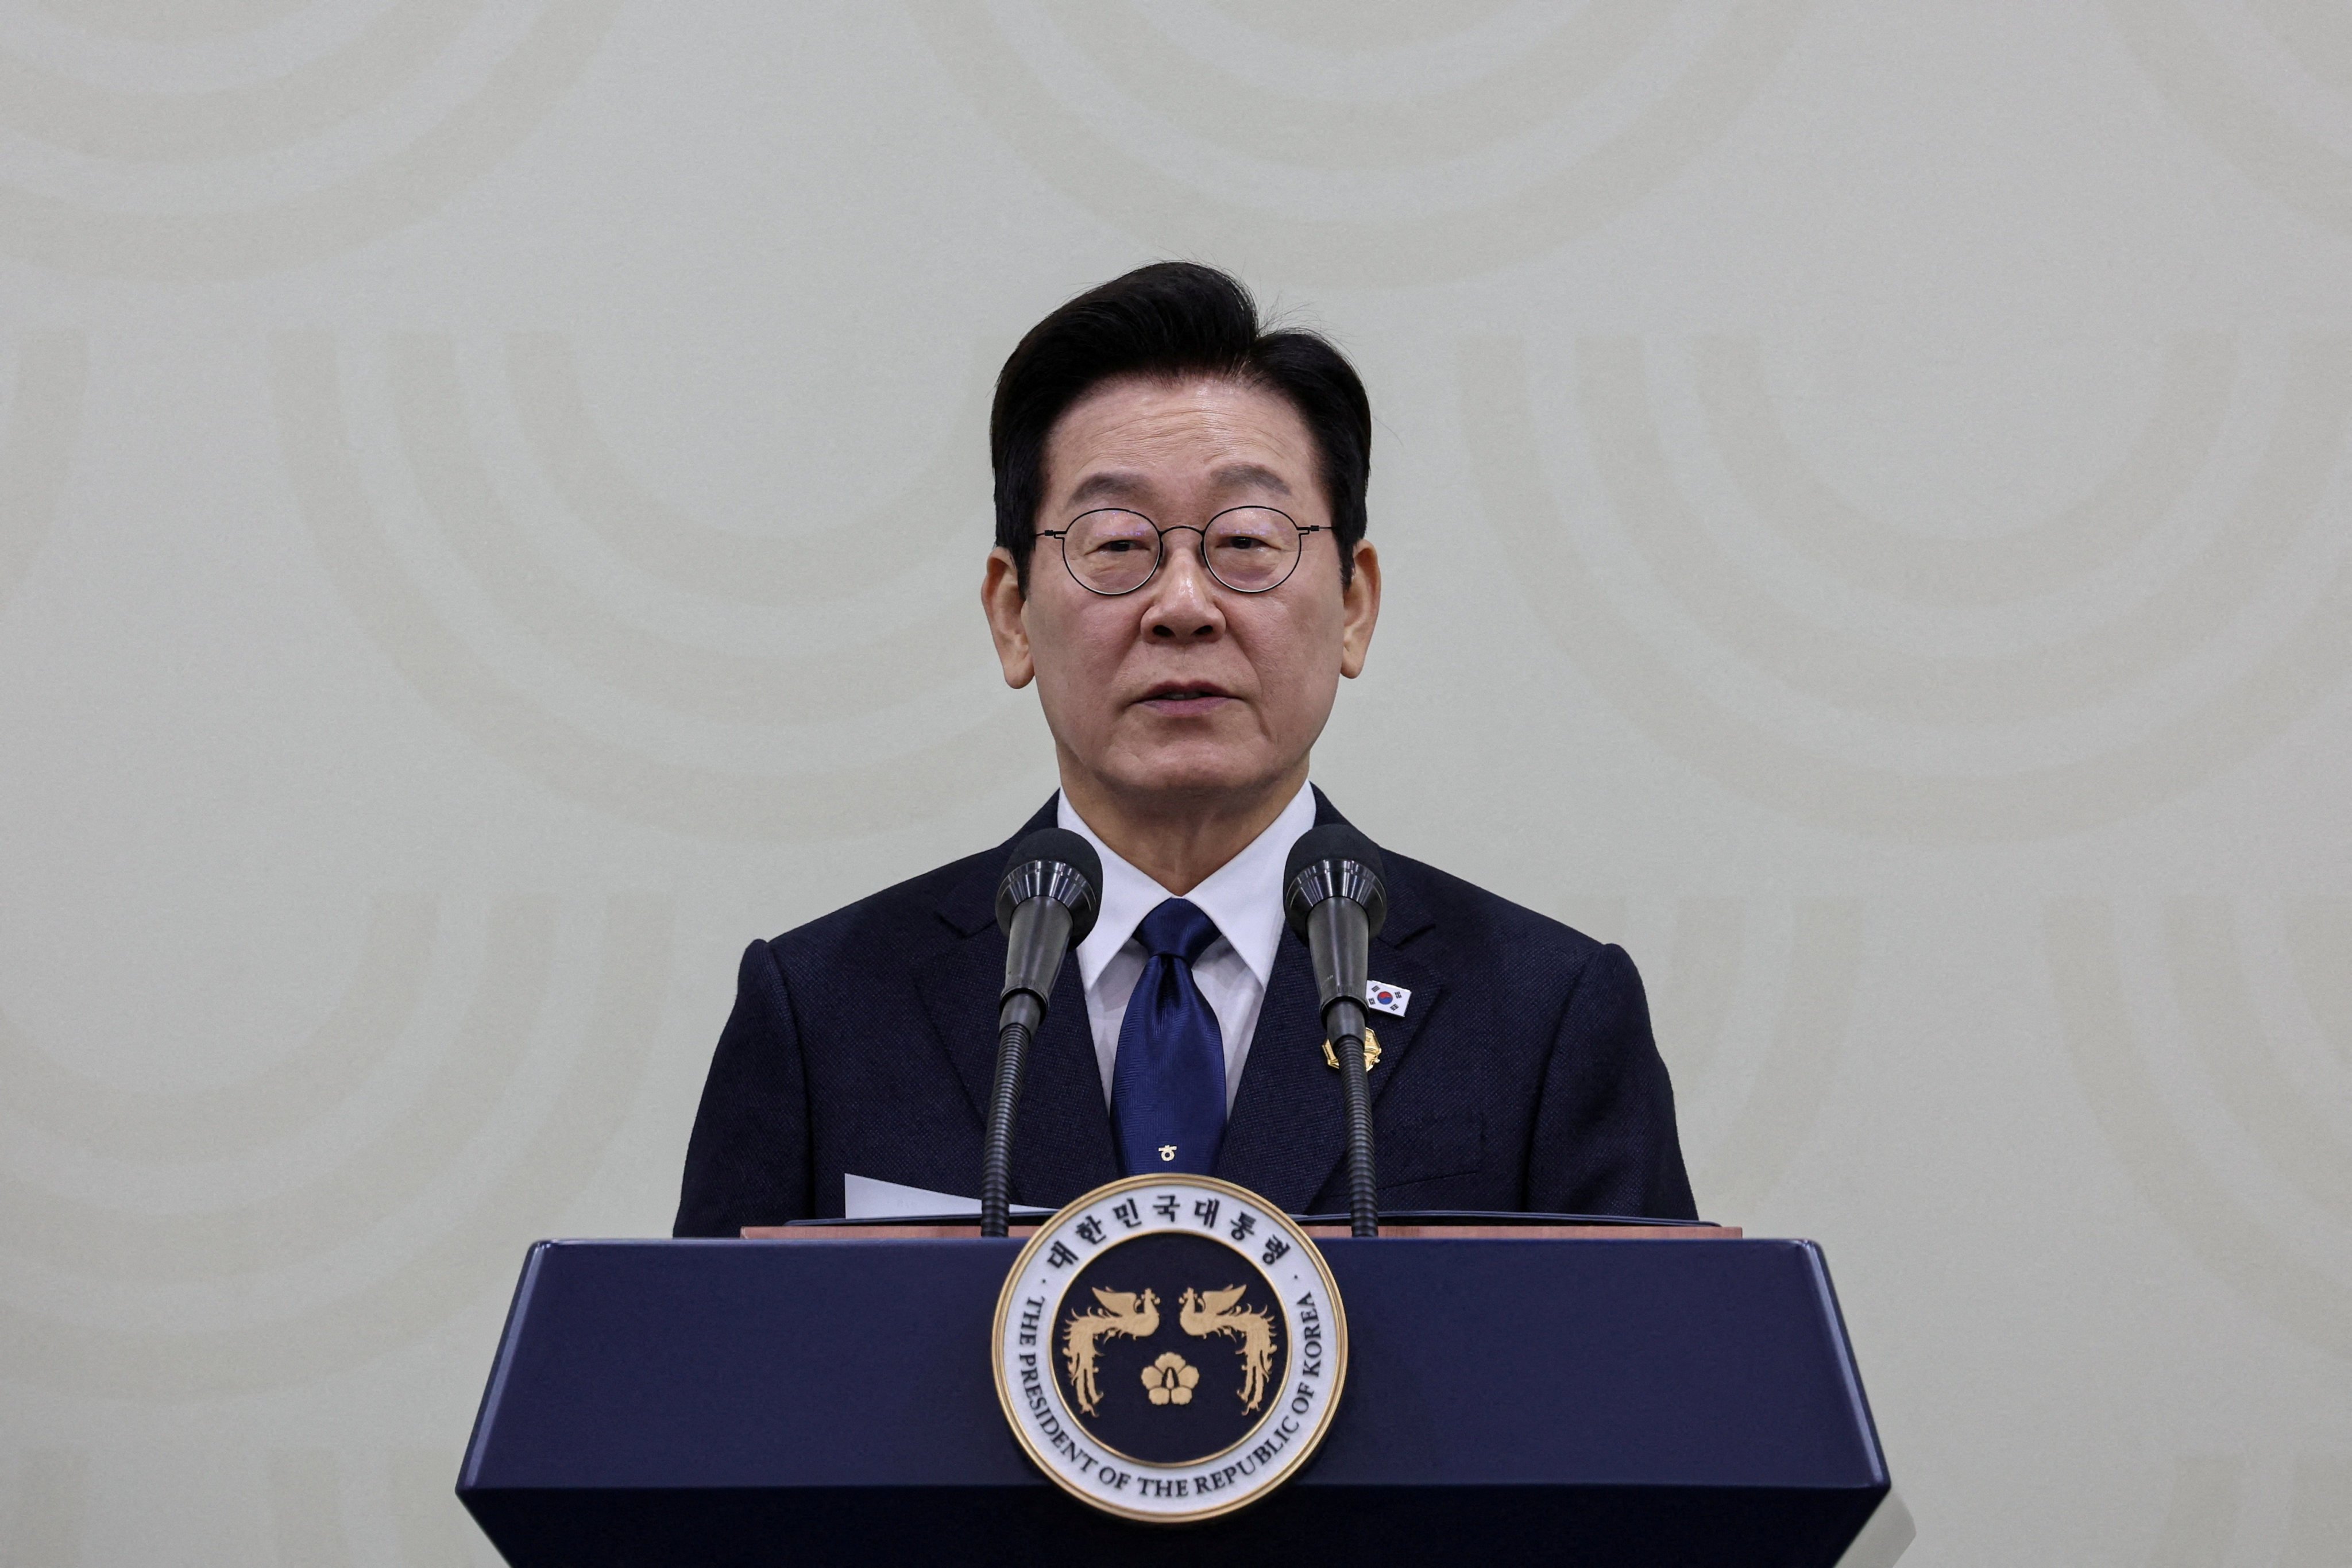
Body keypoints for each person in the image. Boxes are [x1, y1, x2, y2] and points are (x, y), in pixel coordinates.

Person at [673, 263, 1695, 1234]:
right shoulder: (824, 1015)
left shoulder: (1546, 1017)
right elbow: (701, 1400)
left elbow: (1648, 1402)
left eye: (1246, 540)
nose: (1183, 605)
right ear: (1012, 615)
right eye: (1116, 543)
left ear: (1352, 605)